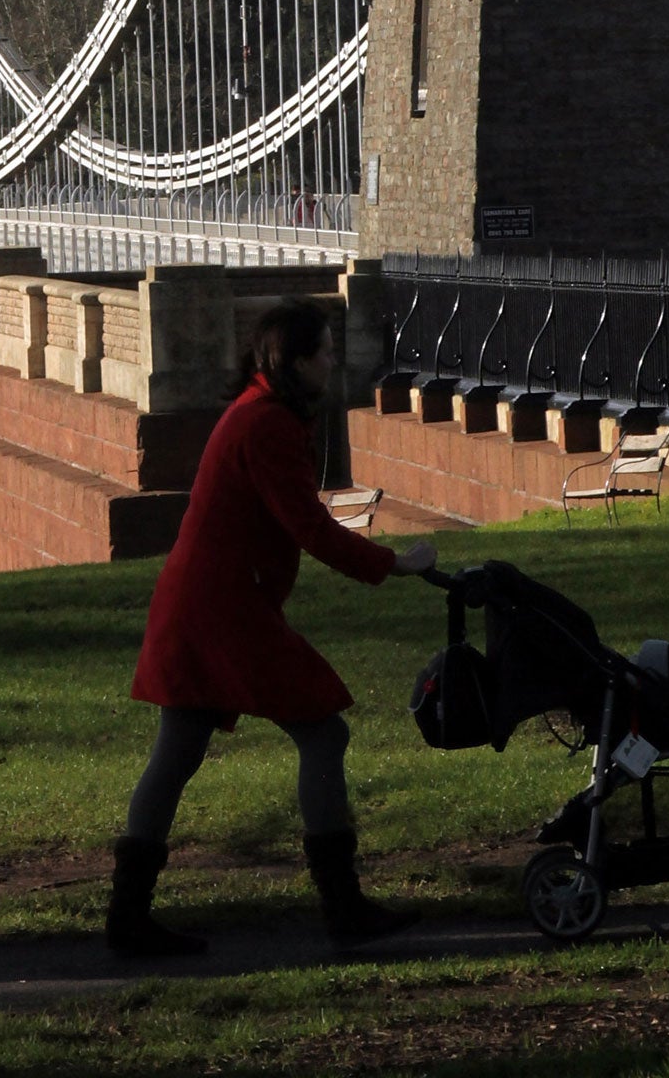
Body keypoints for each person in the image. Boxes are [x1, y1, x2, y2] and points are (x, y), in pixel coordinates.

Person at [107, 299, 437, 958]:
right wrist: (395, 565)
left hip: (205, 605)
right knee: (323, 730)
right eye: (324, 351)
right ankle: (342, 908)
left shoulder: (257, 413)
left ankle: (127, 916)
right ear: (296, 361)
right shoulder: (267, 426)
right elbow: (308, 526)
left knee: (176, 755)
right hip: (225, 611)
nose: (333, 361)